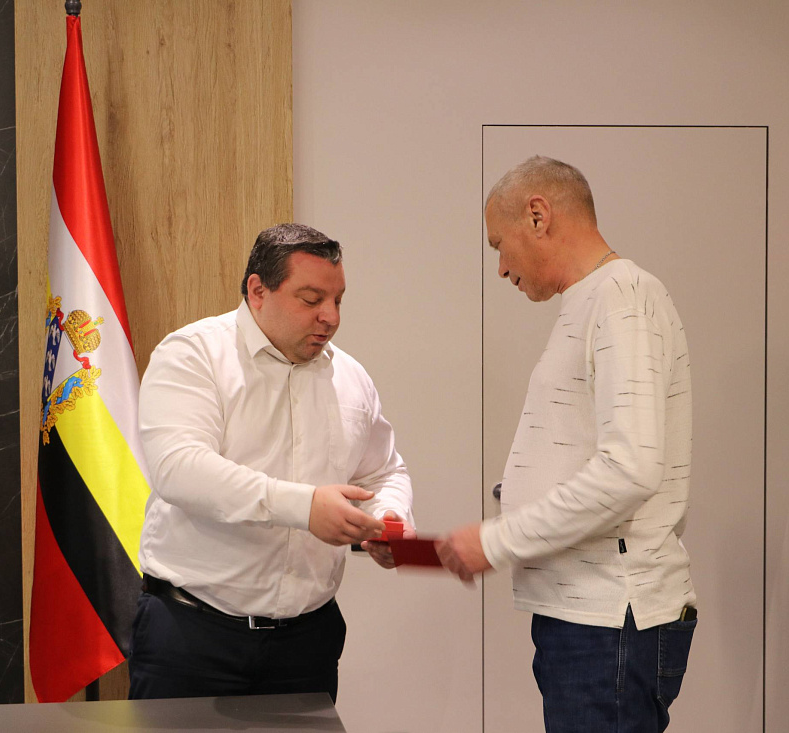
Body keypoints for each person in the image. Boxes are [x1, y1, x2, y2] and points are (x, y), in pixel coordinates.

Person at [437, 156, 696, 732]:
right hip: (590, 618)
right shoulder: (594, 299)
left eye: (499, 245)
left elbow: (629, 469)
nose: (501, 268)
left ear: (537, 215)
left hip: (611, 619)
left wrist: (499, 539)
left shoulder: (622, 296)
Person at [129, 223, 414, 703]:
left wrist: (389, 517)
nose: (330, 317)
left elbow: (383, 471)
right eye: (311, 299)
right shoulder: (193, 355)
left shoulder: (350, 377)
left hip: (308, 642)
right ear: (257, 291)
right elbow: (179, 468)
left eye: (338, 300)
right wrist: (305, 507)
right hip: (193, 635)